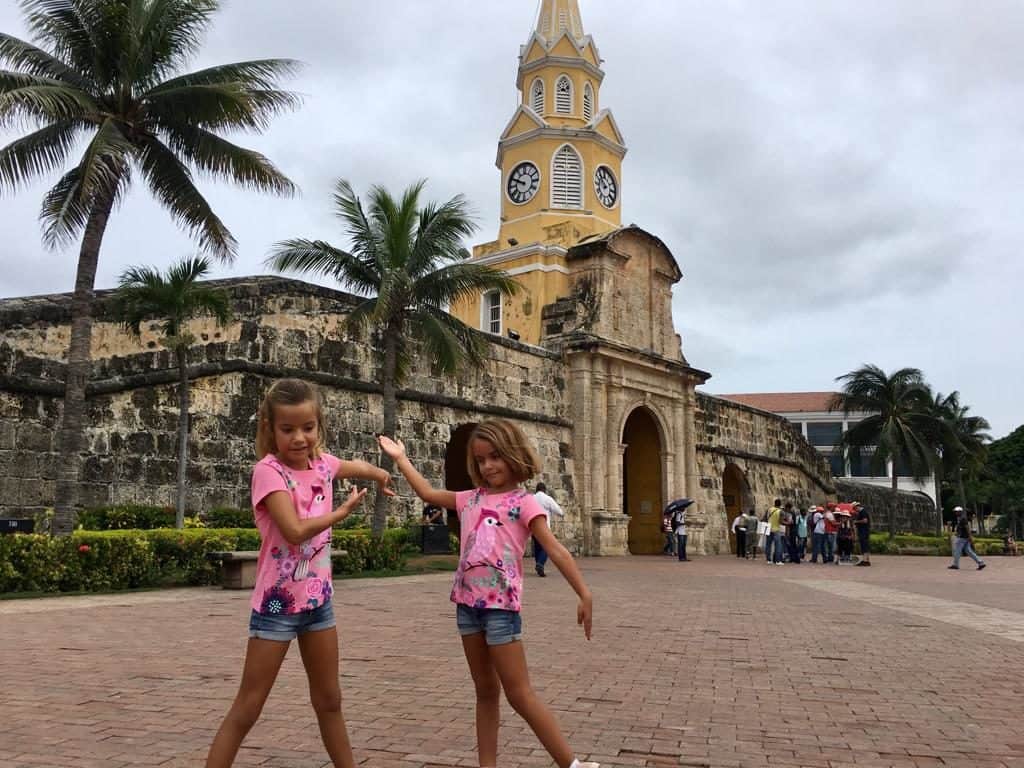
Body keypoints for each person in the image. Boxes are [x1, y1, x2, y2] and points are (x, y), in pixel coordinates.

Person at [377, 421, 599, 768]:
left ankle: (572, 765)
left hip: (500, 611)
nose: (488, 466)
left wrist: (584, 594)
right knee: (485, 692)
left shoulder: (524, 503)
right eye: (481, 460)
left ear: (513, 454)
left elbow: (555, 550)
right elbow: (428, 494)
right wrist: (402, 459)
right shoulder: (470, 499)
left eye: (495, 457)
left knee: (519, 694)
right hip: (467, 609)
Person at [206, 378, 393, 768]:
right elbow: (292, 531)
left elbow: (348, 466)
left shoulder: (322, 463)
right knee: (249, 706)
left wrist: (379, 475)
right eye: (287, 429)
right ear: (270, 429)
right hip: (276, 608)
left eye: (307, 428)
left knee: (330, 701)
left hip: (318, 605)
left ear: (318, 426)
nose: (299, 438)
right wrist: (340, 514)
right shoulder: (268, 472)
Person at [532, 482, 565, 577]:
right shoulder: (547, 498)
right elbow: (558, 510)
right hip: (544, 526)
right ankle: (540, 564)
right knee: (547, 547)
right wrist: (561, 514)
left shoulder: (531, 499)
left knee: (537, 547)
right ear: (544, 490)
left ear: (536, 489)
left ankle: (538, 564)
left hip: (533, 527)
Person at [948, 506, 986, 571]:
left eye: (957, 512)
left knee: (957, 551)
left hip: (962, 538)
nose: (955, 513)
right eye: (955, 512)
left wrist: (970, 536)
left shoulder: (963, 519)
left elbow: (967, 528)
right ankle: (980, 563)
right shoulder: (960, 518)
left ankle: (955, 565)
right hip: (964, 537)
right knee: (969, 551)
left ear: (960, 512)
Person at [853, 501, 872, 566]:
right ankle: (867, 560)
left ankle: (865, 560)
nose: (855, 510)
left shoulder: (863, 512)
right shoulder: (863, 512)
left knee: (864, 545)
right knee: (866, 545)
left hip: (863, 531)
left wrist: (856, 521)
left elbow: (865, 520)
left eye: (854, 508)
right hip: (865, 531)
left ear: (857, 507)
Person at [767, 499, 783, 565]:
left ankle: (769, 560)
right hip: (776, 529)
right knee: (778, 546)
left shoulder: (769, 509)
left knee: (768, 545)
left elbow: (767, 517)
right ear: (780, 504)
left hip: (769, 528)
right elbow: (780, 521)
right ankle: (778, 561)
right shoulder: (780, 511)